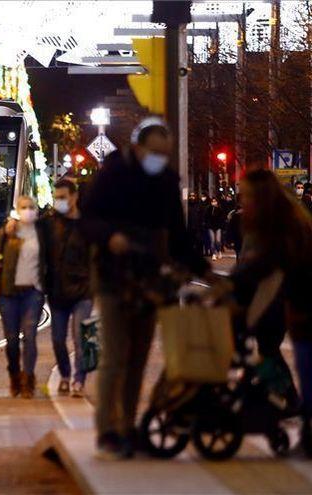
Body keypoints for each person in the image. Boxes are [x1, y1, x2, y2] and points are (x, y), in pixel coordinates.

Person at [80, 117, 209, 459]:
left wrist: (203, 269)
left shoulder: (166, 182)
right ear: (137, 148)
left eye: (164, 154)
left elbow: (178, 236)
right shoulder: (112, 175)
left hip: (149, 277)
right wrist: (110, 237)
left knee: (137, 358)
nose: (159, 159)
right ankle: (108, 430)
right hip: (113, 275)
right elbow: (88, 220)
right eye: (154, 152)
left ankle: (128, 426)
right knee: (116, 356)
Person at [207, 170, 312, 457]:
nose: (243, 201)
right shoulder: (281, 222)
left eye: (248, 196)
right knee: (282, 358)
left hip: (303, 307)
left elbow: (263, 264)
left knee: (292, 362)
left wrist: (226, 285)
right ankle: (297, 414)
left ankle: (295, 413)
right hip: (297, 306)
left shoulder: (283, 227)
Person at [0, 196, 45, 399]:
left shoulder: (43, 233)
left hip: (33, 293)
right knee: (11, 340)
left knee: (31, 336)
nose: (28, 211)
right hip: (8, 294)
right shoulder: (6, 233)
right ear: (17, 210)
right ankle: (14, 375)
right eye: (23, 207)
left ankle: (28, 379)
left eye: (31, 208)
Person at [40, 179, 92, 398]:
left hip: (83, 291)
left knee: (80, 339)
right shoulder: (48, 224)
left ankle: (79, 380)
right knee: (58, 339)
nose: (59, 202)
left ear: (74, 197)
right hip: (57, 291)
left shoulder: (88, 225)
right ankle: (64, 374)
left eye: (63, 197)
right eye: (56, 197)